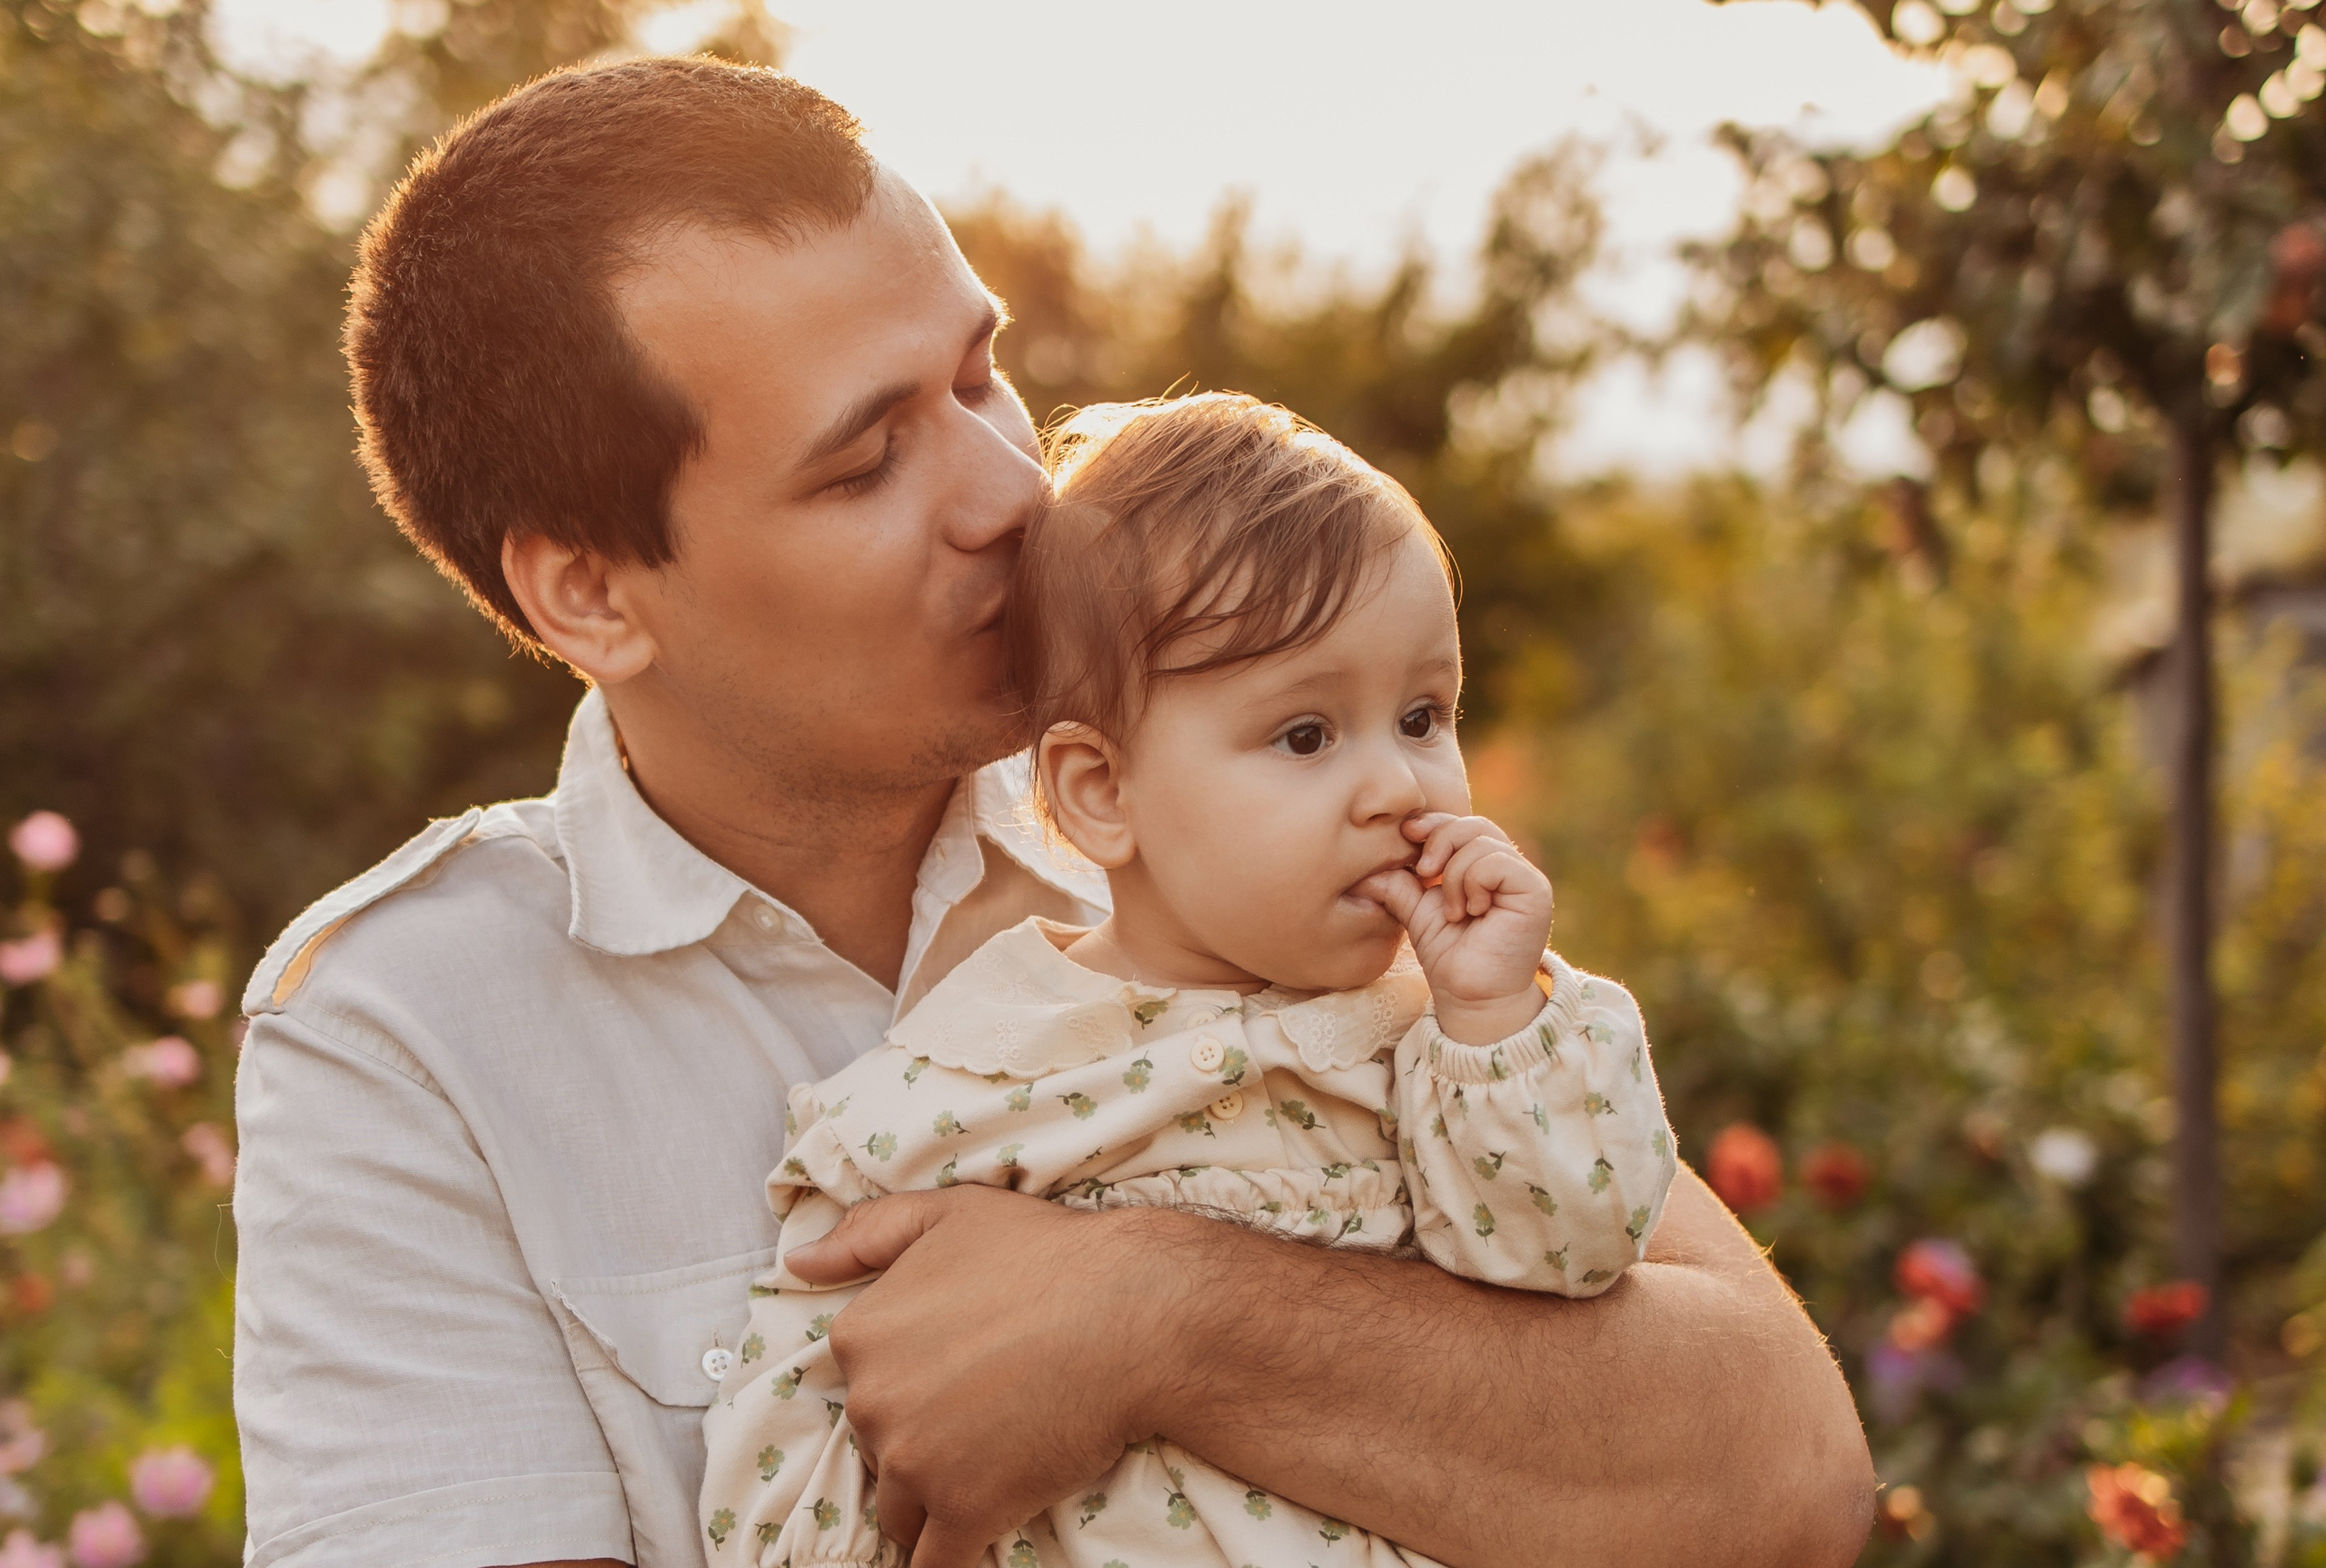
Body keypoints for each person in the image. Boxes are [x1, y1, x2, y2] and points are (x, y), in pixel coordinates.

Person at [233, 55, 1874, 1568]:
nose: (1012, 490)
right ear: (591, 591)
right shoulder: (405, 1035)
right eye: (868, 459)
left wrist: (1163, 1316)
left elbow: (1788, 1475)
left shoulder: (1246, 814)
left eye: (979, 374)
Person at [697, 392, 1680, 1567]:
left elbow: (1574, 1251)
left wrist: (1493, 1018)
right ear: (1102, 792)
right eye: (1307, 735)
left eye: (1423, 715)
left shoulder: (1446, 1040)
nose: (1400, 788)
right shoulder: (962, 1077)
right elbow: (796, 1416)